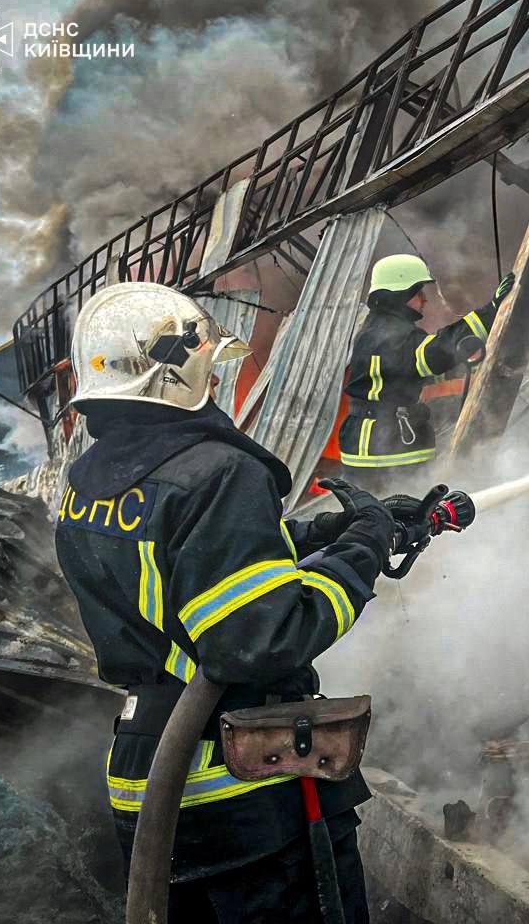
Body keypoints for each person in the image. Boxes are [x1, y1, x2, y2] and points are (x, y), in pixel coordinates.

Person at [54, 281, 394, 923]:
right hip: (244, 789)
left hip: (146, 777)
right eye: (209, 368)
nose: (215, 381)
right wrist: (363, 551)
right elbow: (261, 639)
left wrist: (317, 534)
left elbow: (187, 562)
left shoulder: (92, 480)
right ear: (176, 374)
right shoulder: (220, 472)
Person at [338, 254, 514, 488]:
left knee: (370, 509)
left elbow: (409, 372)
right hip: (388, 447)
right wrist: (490, 313)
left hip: (368, 441)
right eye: (417, 291)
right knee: (408, 506)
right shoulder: (393, 336)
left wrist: (466, 366)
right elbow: (436, 351)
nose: (424, 299)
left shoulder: (375, 329)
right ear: (400, 293)